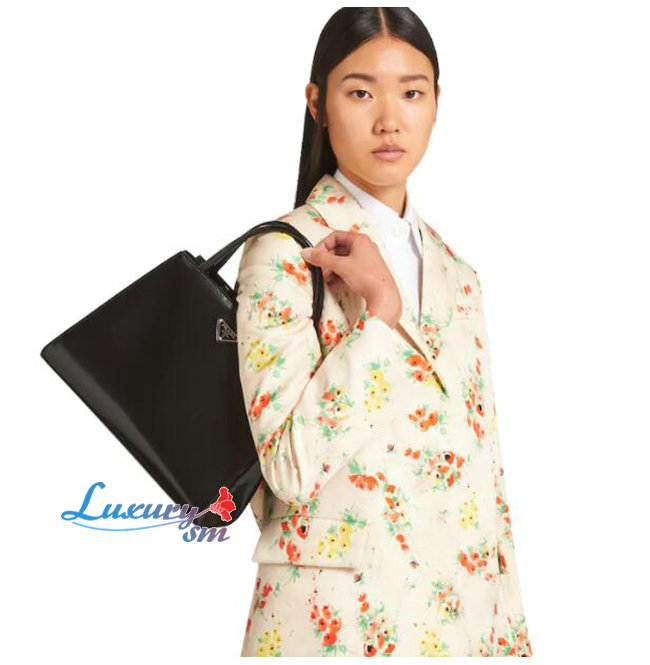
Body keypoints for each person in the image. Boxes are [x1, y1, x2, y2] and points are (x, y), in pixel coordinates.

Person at [235, 7, 533, 657]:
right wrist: (379, 313)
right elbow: (290, 467)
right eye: (361, 92)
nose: (389, 120)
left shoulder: (459, 275)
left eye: (412, 93)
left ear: (437, 103)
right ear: (317, 103)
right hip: (333, 628)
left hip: (456, 630)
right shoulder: (284, 254)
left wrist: (511, 645)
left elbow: (486, 490)